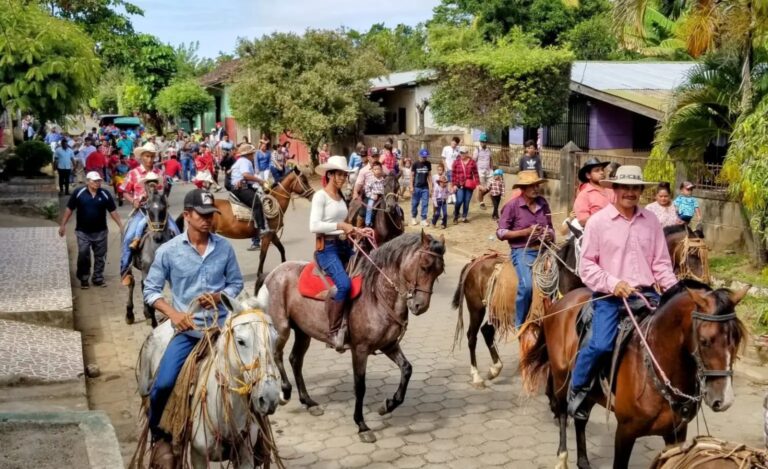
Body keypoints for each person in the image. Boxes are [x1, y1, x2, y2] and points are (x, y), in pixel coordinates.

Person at [143, 189, 244, 467]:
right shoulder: (169, 251)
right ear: (187, 215)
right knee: (162, 384)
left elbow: (236, 283)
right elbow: (151, 291)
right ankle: (160, 436)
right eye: (203, 215)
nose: (209, 220)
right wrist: (174, 314)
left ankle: (253, 438)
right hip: (188, 334)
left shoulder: (224, 247)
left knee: (253, 377)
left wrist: (218, 297)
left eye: (212, 215)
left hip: (223, 329)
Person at [568, 165, 678, 419]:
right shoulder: (598, 222)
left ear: (640, 190)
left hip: (647, 294)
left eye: (635, 188)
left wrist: (674, 290)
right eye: (625, 187)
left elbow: (660, 263)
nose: (630, 192)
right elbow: (587, 267)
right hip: (611, 297)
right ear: (615, 189)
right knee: (600, 345)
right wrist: (613, 282)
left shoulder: (651, 221)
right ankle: (578, 387)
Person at [310, 155, 371, 352]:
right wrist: (341, 225)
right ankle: (333, 331)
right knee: (344, 285)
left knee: (367, 273)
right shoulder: (320, 196)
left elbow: (345, 225)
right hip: (327, 249)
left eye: (344, 175)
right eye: (339, 174)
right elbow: (314, 225)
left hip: (345, 246)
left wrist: (357, 230)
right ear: (329, 175)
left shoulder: (341, 197)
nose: (343, 178)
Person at [496, 170, 554, 327]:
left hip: (545, 250)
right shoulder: (512, 206)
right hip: (522, 251)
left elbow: (552, 228)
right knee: (527, 285)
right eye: (531, 186)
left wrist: (549, 235)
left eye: (537, 185)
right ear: (522, 188)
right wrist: (525, 232)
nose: (536, 188)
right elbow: (500, 233)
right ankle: (519, 323)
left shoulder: (543, 203)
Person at [119, 143, 178, 285]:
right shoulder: (133, 173)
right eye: (147, 156)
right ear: (141, 157)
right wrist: (133, 200)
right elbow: (124, 190)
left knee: (177, 232)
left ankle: (179, 268)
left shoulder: (160, 173)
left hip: (159, 211)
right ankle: (125, 270)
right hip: (142, 211)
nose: (150, 159)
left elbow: (165, 190)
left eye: (152, 156)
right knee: (128, 237)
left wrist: (165, 200)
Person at [59, 172, 124, 289]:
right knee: (83, 254)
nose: (97, 183)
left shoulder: (105, 194)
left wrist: (121, 225)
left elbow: (113, 211)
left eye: (99, 180)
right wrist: (63, 225)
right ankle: (84, 278)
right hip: (83, 232)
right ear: (88, 181)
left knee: (100, 256)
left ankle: (98, 278)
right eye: (95, 181)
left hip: (101, 231)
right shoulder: (78, 193)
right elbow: (69, 209)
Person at [230, 143, 268, 251]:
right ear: (248, 154)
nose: (253, 155)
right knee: (257, 203)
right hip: (241, 189)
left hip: (244, 186)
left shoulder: (241, 161)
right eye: (252, 153)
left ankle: (256, 240)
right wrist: (260, 180)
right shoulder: (245, 162)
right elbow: (246, 175)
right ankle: (261, 229)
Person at [573, 157, 615, 227]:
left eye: (602, 170)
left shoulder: (611, 190)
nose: (601, 172)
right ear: (588, 175)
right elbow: (582, 221)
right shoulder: (584, 195)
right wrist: (605, 218)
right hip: (596, 234)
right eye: (597, 170)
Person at [451, 146, 479, 224]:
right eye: (461, 152)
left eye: (464, 153)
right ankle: (456, 215)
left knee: (466, 201)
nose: (462, 154)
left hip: (469, 185)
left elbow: (476, 174)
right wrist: (453, 185)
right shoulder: (456, 162)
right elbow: (453, 174)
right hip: (459, 184)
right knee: (459, 200)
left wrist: (478, 184)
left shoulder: (472, 162)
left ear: (467, 153)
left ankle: (464, 216)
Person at [410, 149, 432, 227]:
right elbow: (412, 176)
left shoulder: (428, 164)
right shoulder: (415, 164)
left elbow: (429, 175)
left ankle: (423, 219)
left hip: (425, 187)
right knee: (415, 203)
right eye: (423, 157)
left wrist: (431, 187)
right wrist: (411, 186)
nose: (424, 158)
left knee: (425, 203)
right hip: (416, 187)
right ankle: (413, 217)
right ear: (419, 156)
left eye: (425, 157)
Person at [474, 133, 493, 209]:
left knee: (491, 185)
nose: (483, 143)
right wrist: (475, 172)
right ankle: (481, 203)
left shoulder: (489, 150)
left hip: (488, 171)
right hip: (480, 171)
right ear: (480, 141)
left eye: (484, 141)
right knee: (481, 187)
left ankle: (481, 196)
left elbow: (491, 160)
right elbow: (474, 161)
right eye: (482, 141)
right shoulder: (477, 150)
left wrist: (492, 169)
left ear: (486, 142)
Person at [364, 161, 386, 227]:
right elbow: (367, 191)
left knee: (393, 205)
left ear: (381, 170)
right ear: (372, 171)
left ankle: (399, 217)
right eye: (375, 169)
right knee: (369, 207)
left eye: (379, 169)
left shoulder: (384, 180)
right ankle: (367, 223)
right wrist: (372, 196)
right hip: (374, 197)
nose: (377, 171)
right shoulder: (370, 180)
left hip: (383, 197)